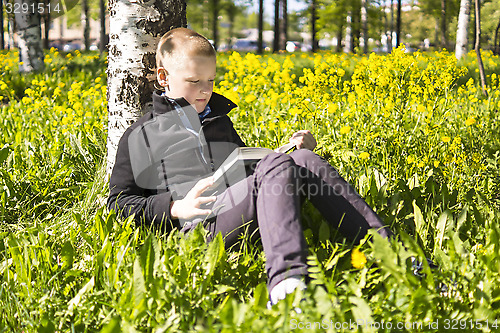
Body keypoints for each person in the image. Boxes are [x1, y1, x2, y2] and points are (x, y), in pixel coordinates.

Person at [107, 27, 392, 306]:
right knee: (278, 165)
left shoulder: (218, 120)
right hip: (196, 229)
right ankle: (287, 286)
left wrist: (291, 152)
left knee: (303, 160)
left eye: (211, 80)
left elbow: (246, 170)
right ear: (164, 77)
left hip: (236, 211)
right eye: (194, 81)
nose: (205, 90)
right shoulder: (142, 134)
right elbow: (119, 202)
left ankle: (393, 256)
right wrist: (174, 208)